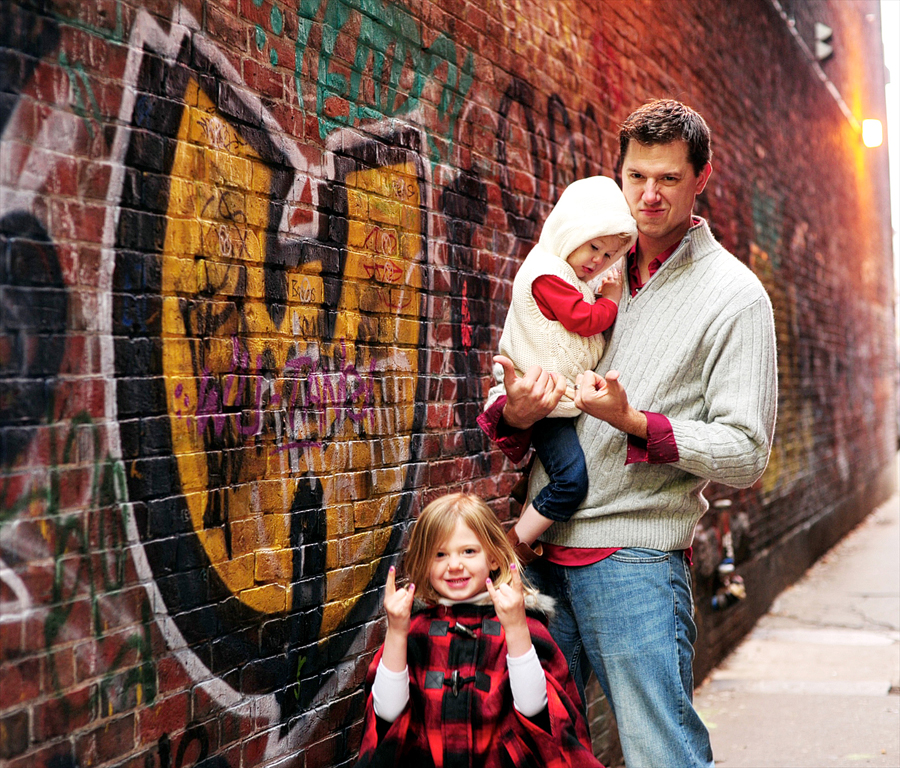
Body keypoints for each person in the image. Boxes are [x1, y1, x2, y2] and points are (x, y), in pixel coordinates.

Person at [477, 99, 778, 768]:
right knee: (532, 751)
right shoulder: (578, 266)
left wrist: (636, 423)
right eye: (635, 176)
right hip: (539, 557)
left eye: (668, 179)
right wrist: (517, 412)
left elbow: (747, 450)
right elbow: (514, 378)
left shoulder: (735, 297)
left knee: (657, 755)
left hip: (634, 562)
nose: (648, 195)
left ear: (701, 178)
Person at [355, 492, 604, 768]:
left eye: (468, 551)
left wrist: (515, 627)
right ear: (425, 564)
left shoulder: (523, 626)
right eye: (440, 554)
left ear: (494, 558)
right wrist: (397, 632)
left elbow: (538, 716)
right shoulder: (415, 631)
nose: (454, 565)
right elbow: (387, 718)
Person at [494, 176, 637, 563]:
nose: (598, 261)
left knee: (560, 470)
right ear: (571, 229)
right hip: (549, 404)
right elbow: (584, 320)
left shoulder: (567, 276)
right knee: (571, 482)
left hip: (559, 401)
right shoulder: (546, 273)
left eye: (608, 257)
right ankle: (512, 548)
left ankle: (528, 510)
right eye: (593, 246)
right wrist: (609, 297)